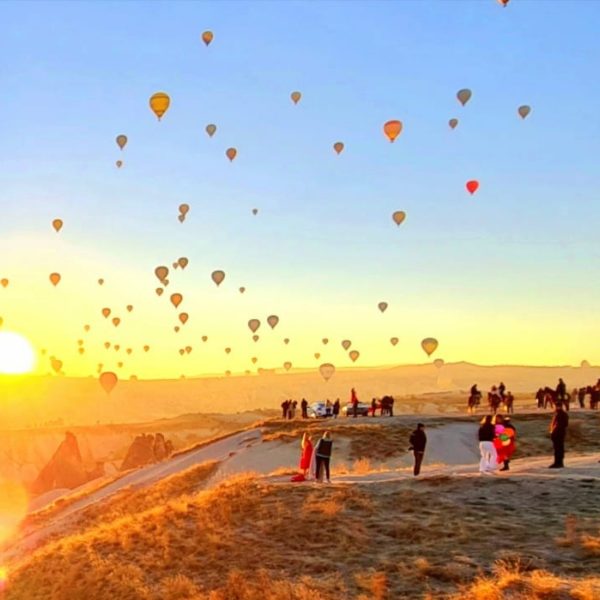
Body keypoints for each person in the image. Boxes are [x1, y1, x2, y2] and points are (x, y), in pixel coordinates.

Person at [549, 403, 569, 468]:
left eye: (555, 406)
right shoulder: (559, 414)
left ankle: (558, 463)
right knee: (558, 449)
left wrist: (554, 432)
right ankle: (558, 462)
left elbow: (561, 425)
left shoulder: (561, 414)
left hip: (559, 434)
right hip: (559, 433)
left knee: (558, 449)